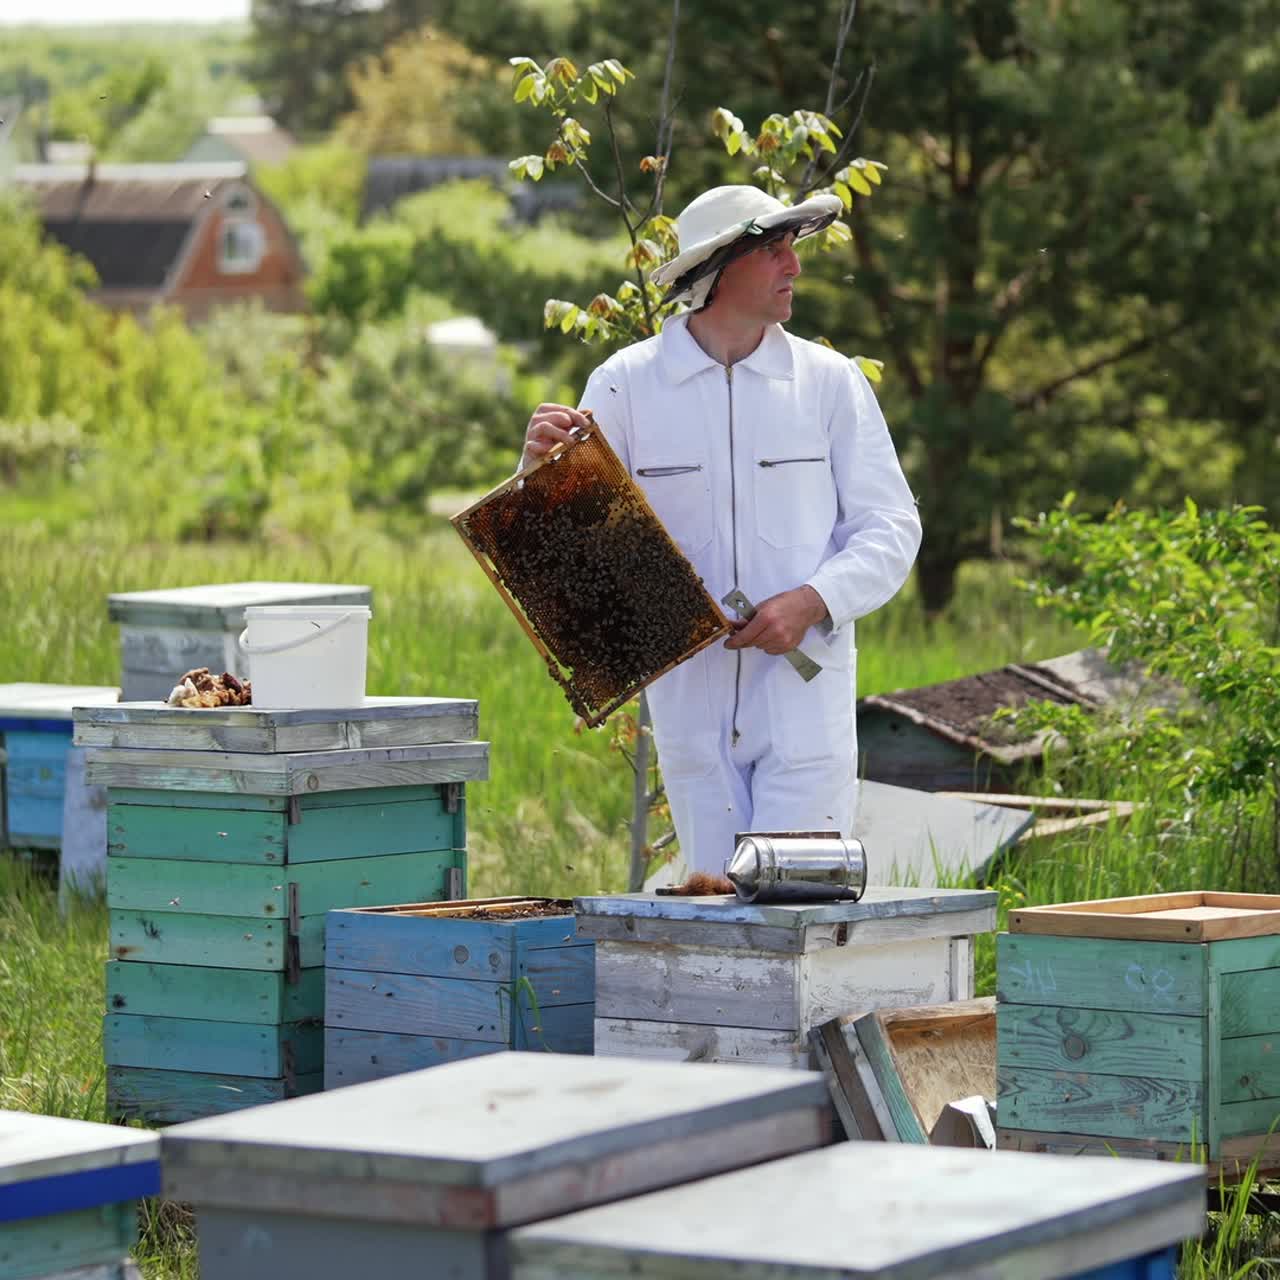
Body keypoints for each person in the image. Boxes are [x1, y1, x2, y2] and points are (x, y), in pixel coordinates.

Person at [522, 184, 922, 876]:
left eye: (792, 249)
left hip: (802, 699)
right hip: (689, 706)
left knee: (798, 909)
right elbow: (565, 549)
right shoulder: (625, 384)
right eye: (774, 252)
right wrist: (537, 469)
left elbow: (891, 527)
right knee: (715, 915)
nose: (793, 268)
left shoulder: (830, 383)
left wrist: (813, 600)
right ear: (715, 270)